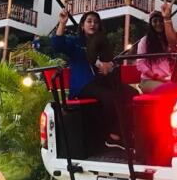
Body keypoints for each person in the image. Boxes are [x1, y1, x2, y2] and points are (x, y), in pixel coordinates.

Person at [51, 9, 137, 148]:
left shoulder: (102, 43)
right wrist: (62, 23)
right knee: (109, 96)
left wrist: (110, 64)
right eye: (89, 21)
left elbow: (112, 62)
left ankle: (130, 130)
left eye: (96, 22)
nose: (93, 24)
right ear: (82, 25)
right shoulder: (76, 42)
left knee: (132, 93)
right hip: (84, 85)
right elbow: (57, 44)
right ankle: (113, 135)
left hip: (102, 83)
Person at [136, 11, 173, 93]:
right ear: (150, 23)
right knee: (169, 89)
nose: (158, 23)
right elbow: (140, 64)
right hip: (149, 80)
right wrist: (157, 77)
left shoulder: (169, 40)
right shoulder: (145, 41)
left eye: (161, 21)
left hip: (168, 78)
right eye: (155, 21)